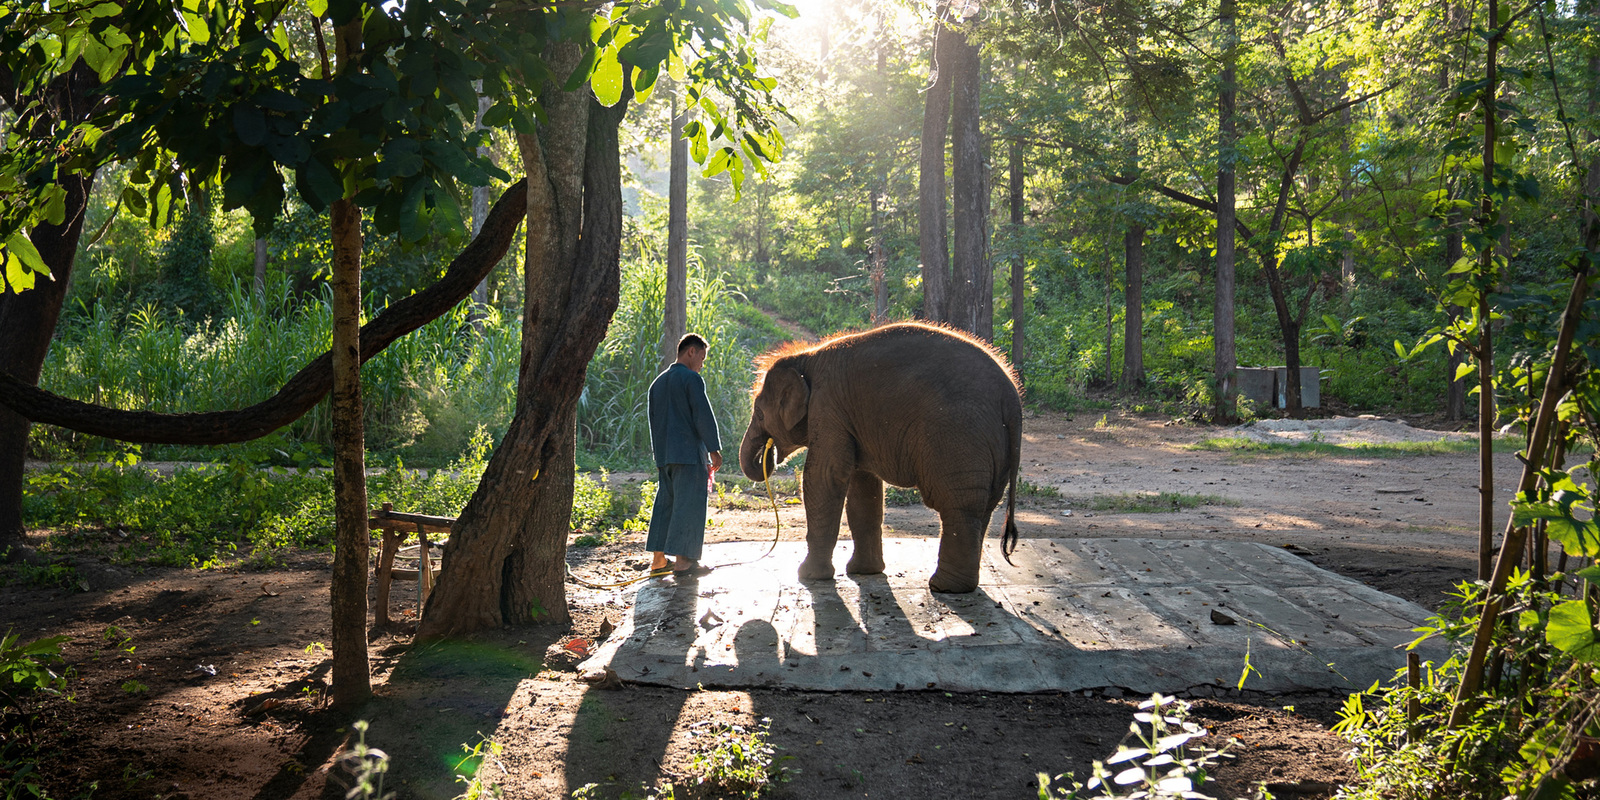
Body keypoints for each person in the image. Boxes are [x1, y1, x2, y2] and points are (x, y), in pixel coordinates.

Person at [646, 333, 723, 576]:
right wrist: (714, 449)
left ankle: (659, 560)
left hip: (665, 456)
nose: (702, 364)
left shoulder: (657, 383)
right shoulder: (692, 380)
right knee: (688, 506)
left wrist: (660, 456)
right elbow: (702, 415)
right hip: (689, 455)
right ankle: (683, 563)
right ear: (691, 351)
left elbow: (654, 422)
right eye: (702, 357)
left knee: (666, 504)